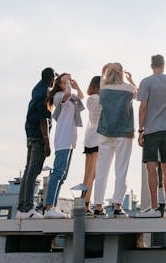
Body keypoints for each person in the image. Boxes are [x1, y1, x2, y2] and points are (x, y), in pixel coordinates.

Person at [136, 54, 166, 218]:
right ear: (163, 64)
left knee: (151, 168)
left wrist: (140, 130)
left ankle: (155, 207)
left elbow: (143, 107)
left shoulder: (146, 82)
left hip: (151, 130)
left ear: (151, 65)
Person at [93, 63, 136, 217]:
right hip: (123, 132)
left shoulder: (103, 87)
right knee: (121, 170)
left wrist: (105, 68)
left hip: (105, 131)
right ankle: (117, 206)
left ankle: (98, 206)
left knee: (102, 170)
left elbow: (102, 74)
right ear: (122, 73)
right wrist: (131, 80)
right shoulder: (128, 88)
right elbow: (137, 94)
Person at [44, 73, 84, 219]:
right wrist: (67, 84)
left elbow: (81, 96)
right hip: (63, 138)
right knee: (57, 172)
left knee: (63, 175)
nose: (70, 78)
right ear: (60, 81)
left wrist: (76, 85)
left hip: (71, 139)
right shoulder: (59, 96)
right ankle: (49, 207)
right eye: (66, 77)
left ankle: (53, 207)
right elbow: (67, 93)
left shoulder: (71, 95)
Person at [16, 67, 55, 219]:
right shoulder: (45, 91)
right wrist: (47, 142)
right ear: (51, 78)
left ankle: (21, 209)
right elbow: (44, 118)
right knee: (33, 171)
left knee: (28, 171)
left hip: (30, 134)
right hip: (39, 137)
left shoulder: (36, 89)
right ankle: (28, 209)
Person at [82, 75, 102, 216]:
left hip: (89, 138)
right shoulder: (99, 100)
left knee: (87, 173)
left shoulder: (90, 99)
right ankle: (85, 205)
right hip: (97, 138)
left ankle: (84, 202)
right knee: (92, 174)